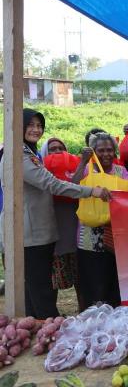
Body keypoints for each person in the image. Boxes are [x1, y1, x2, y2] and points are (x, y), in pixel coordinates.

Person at [0, 109, 110, 319]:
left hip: (30, 231)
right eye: (30, 125)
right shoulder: (20, 154)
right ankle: (51, 330)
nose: (36, 129)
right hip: (30, 234)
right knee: (40, 289)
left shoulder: (25, 152)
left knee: (33, 289)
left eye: (39, 125)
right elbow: (51, 184)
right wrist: (92, 191)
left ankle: (37, 326)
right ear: (18, 126)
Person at [72, 132, 128, 309]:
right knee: (92, 280)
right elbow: (73, 187)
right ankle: (92, 316)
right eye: (101, 150)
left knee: (112, 280)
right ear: (94, 152)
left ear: (115, 152)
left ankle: (113, 317)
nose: (106, 154)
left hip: (114, 234)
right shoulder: (87, 169)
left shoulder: (122, 172)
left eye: (110, 150)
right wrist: (82, 161)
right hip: (89, 237)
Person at [40, 137, 85, 311]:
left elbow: (75, 187)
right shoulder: (41, 171)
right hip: (54, 234)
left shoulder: (73, 167)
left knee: (80, 278)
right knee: (53, 281)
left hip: (74, 232)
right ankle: (53, 314)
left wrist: (82, 164)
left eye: (61, 147)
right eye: (52, 149)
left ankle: (83, 311)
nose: (57, 151)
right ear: (45, 152)